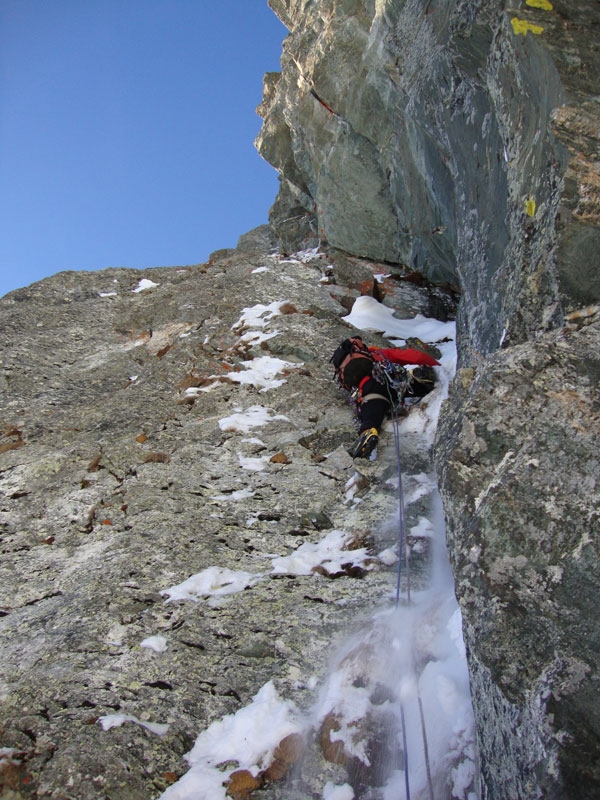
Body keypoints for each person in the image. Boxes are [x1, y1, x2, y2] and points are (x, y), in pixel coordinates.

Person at [331, 336, 440, 459]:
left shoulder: (346, 369)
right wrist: (437, 365)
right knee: (406, 386)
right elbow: (412, 356)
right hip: (389, 379)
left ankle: (368, 431)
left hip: (368, 388)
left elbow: (347, 386)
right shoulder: (376, 353)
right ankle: (420, 379)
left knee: (372, 406)